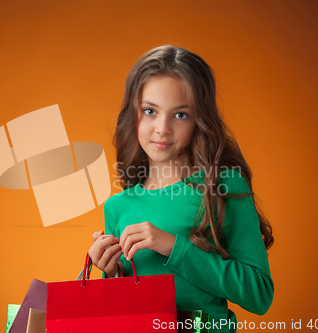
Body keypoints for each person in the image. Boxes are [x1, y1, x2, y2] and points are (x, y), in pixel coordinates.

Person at [88, 45, 274, 333]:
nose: (162, 128)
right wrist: (110, 271)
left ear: (199, 120)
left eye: (180, 115)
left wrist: (174, 246)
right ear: (133, 115)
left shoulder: (223, 185)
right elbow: (125, 313)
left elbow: (258, 294)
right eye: (150, 111)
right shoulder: (118, 205)